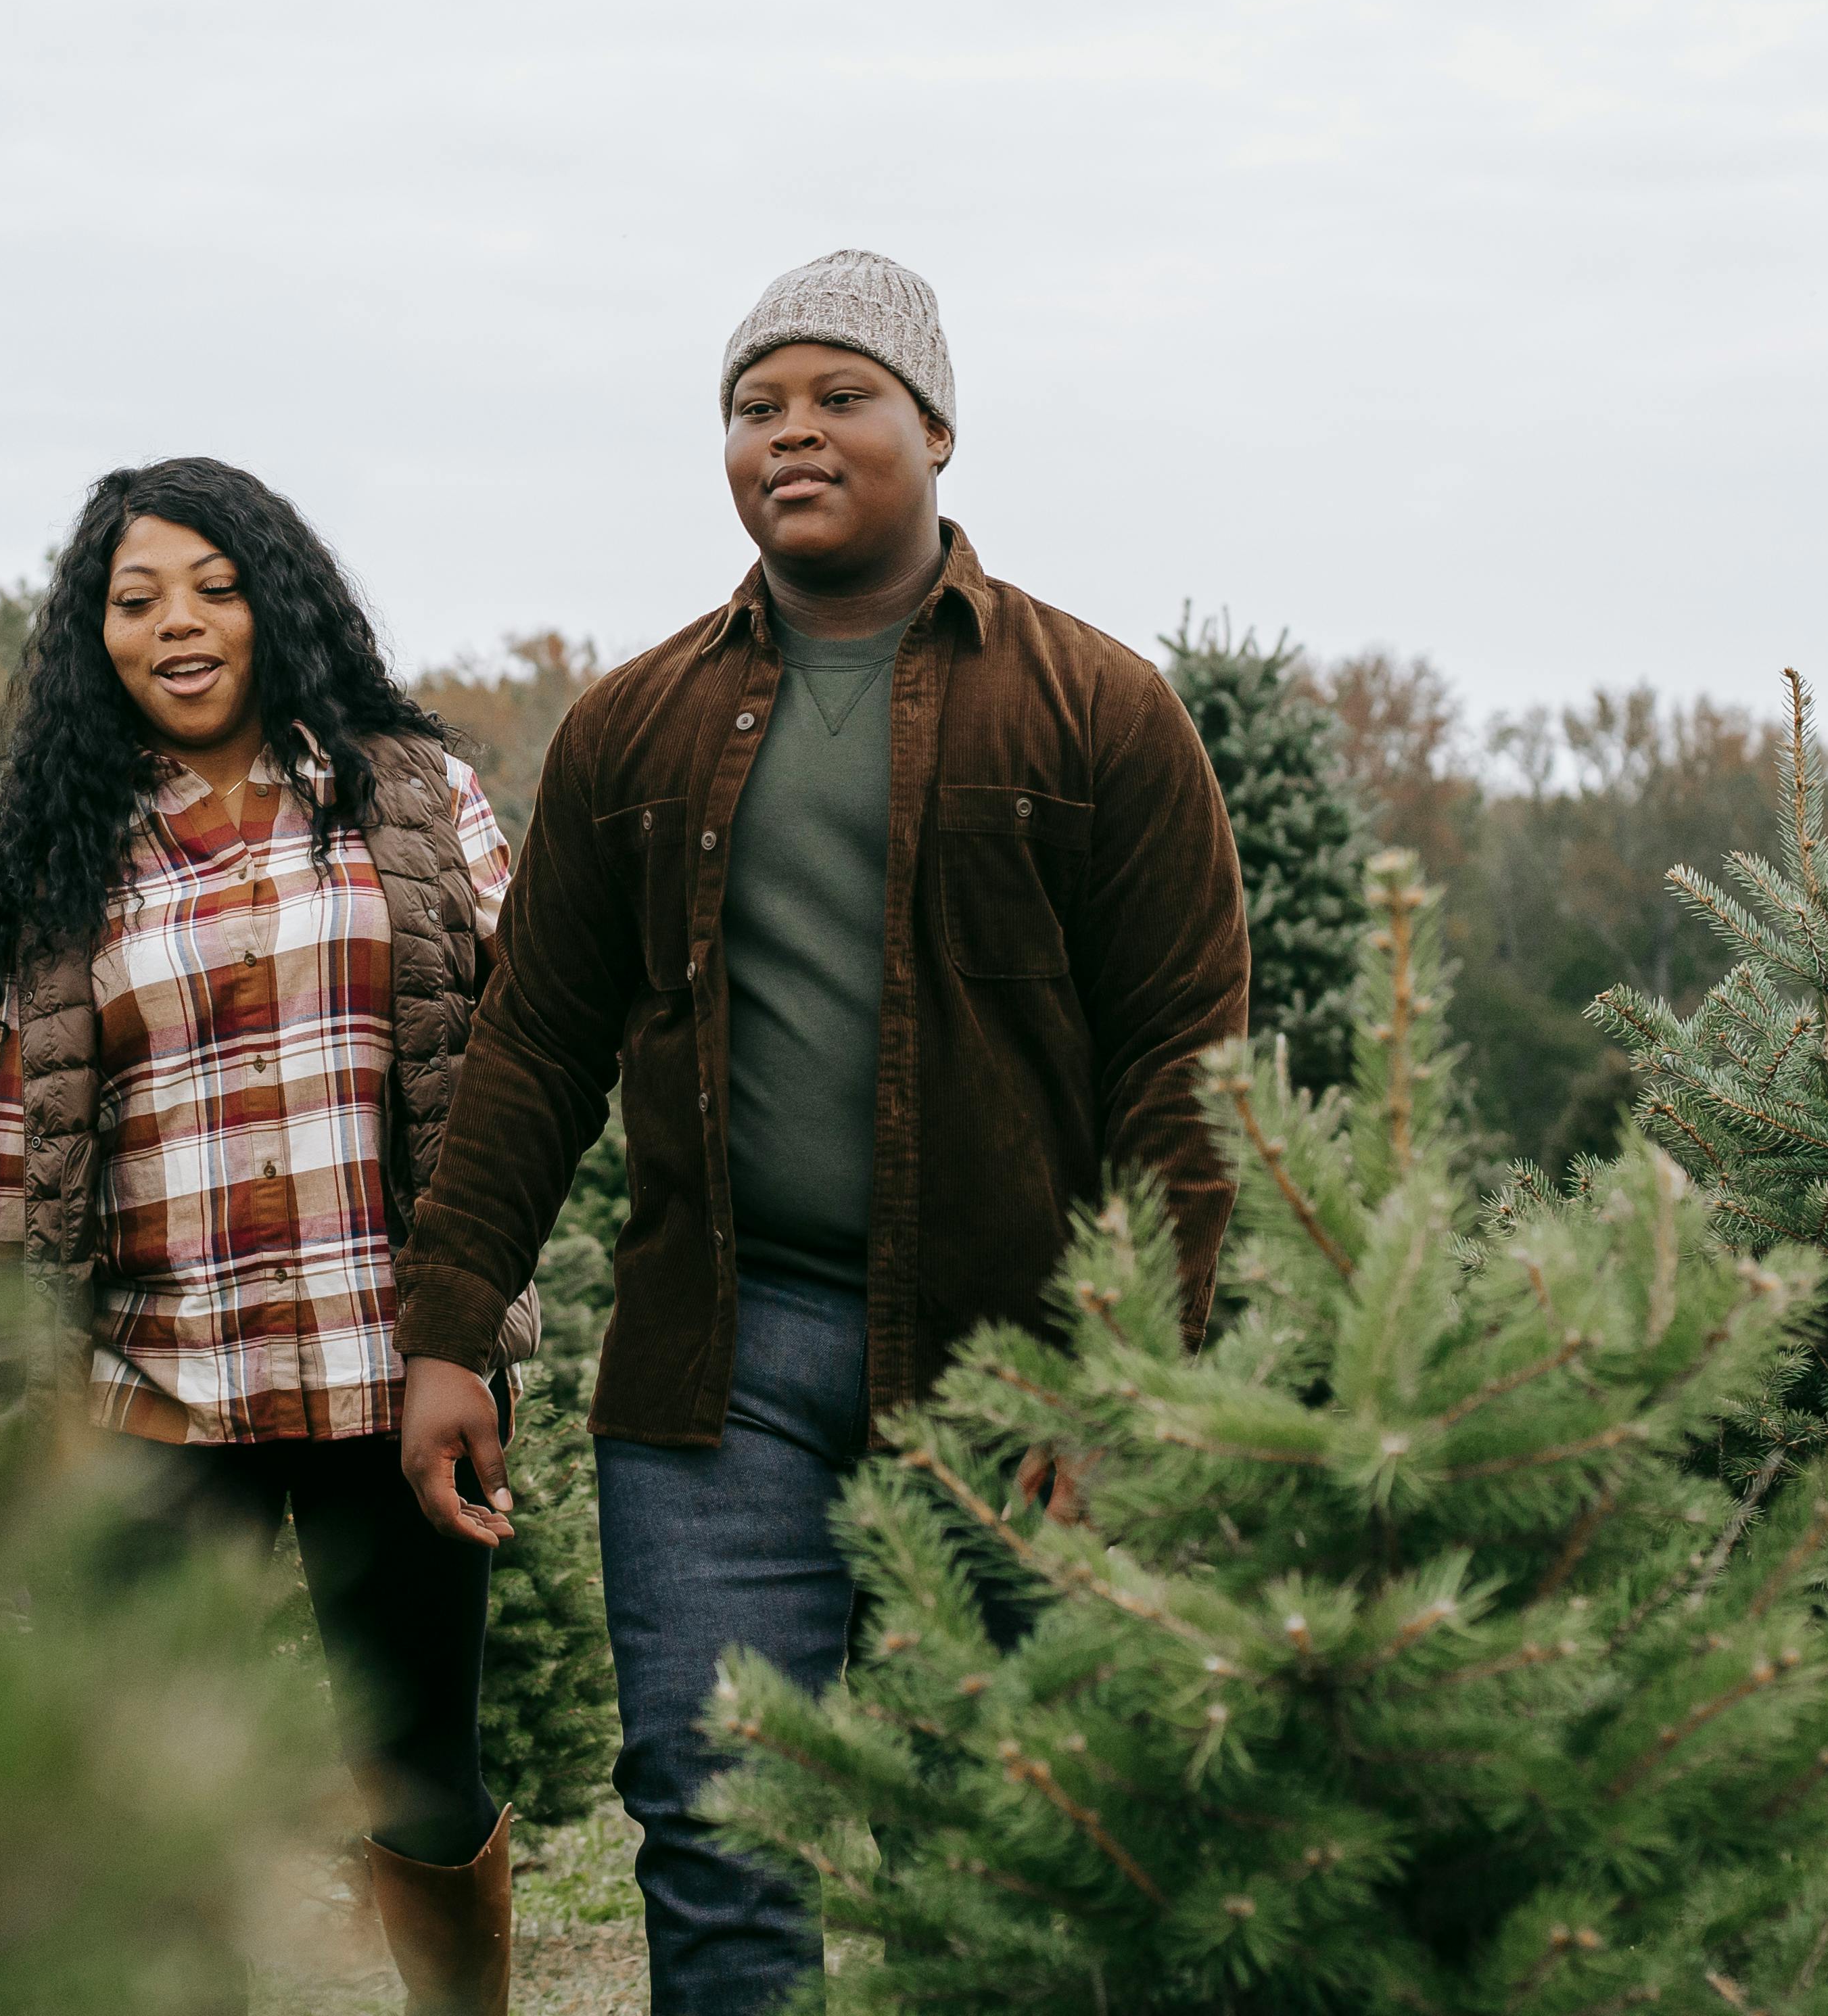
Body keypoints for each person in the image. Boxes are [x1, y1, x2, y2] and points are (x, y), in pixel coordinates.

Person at [388, 250, 1251, 2013]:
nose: (789, 432)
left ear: (935, 426)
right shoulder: (636, 727)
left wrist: (1124, 1380)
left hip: (1021, 1365)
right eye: (751, 406)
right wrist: (452, 1330)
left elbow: (1188, 1069)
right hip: (725, 1365)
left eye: (837, 395)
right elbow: (534, 1044)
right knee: (716, 1832)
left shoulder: (1099, 711)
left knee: (1032, 1839)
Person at [0, 456, 540, 2016]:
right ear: (97, 637)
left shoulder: (411, 794)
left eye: (214, 587)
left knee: (417, 1770)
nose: (177, 624)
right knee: (155, 1784)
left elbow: (528, 1051)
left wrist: (474, 1322)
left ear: (278, 606)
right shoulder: (60, 845)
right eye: (137, 600)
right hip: (152, 1396)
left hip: (384, 1379)